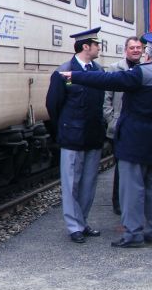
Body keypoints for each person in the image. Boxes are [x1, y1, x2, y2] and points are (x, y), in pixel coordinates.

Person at [60, 32, 152, 247]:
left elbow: (109, 80)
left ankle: (133, 234)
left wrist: (74, 76)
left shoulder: (141, 74)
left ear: (149, 54)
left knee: (131, 189)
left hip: (134, 141)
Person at [45, 27, 106, 244]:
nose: (99, 47)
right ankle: (74, 227)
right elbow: (53, 105)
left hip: (93, 136)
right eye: (97, 44)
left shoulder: (98, 71)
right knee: (71, 183)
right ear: (86, 47)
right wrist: (63, 128)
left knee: (88, 183)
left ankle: (83, 221)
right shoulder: (63, 72)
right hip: (72, 137)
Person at [103, 36, 143, 215]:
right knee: (121, 166)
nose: (136, 50)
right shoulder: (114, 69)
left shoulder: (145, 69)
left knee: (138, 166)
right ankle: (118, 202)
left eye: (139, 48)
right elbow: (106, 99)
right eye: (132, 48)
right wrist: (112, 121)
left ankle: (134, 200)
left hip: (138, 127)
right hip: (119, 126)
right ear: (125, 50)